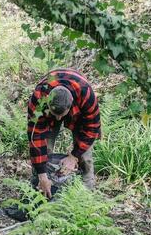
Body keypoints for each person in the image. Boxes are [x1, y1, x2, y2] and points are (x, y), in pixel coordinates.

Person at [27, 68, 101, 198]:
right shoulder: (39, 96)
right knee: (45, 150)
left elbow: (92, 129)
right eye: (55, 114)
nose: (58, 120)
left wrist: (74, 156)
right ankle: (39, 188)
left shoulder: (86, 94)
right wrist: (42, 174)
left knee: (85, 157)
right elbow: (35, 137)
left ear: (70, 105)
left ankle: (86, 196)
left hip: (79, 115)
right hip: (45, 114)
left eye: (61, 115)